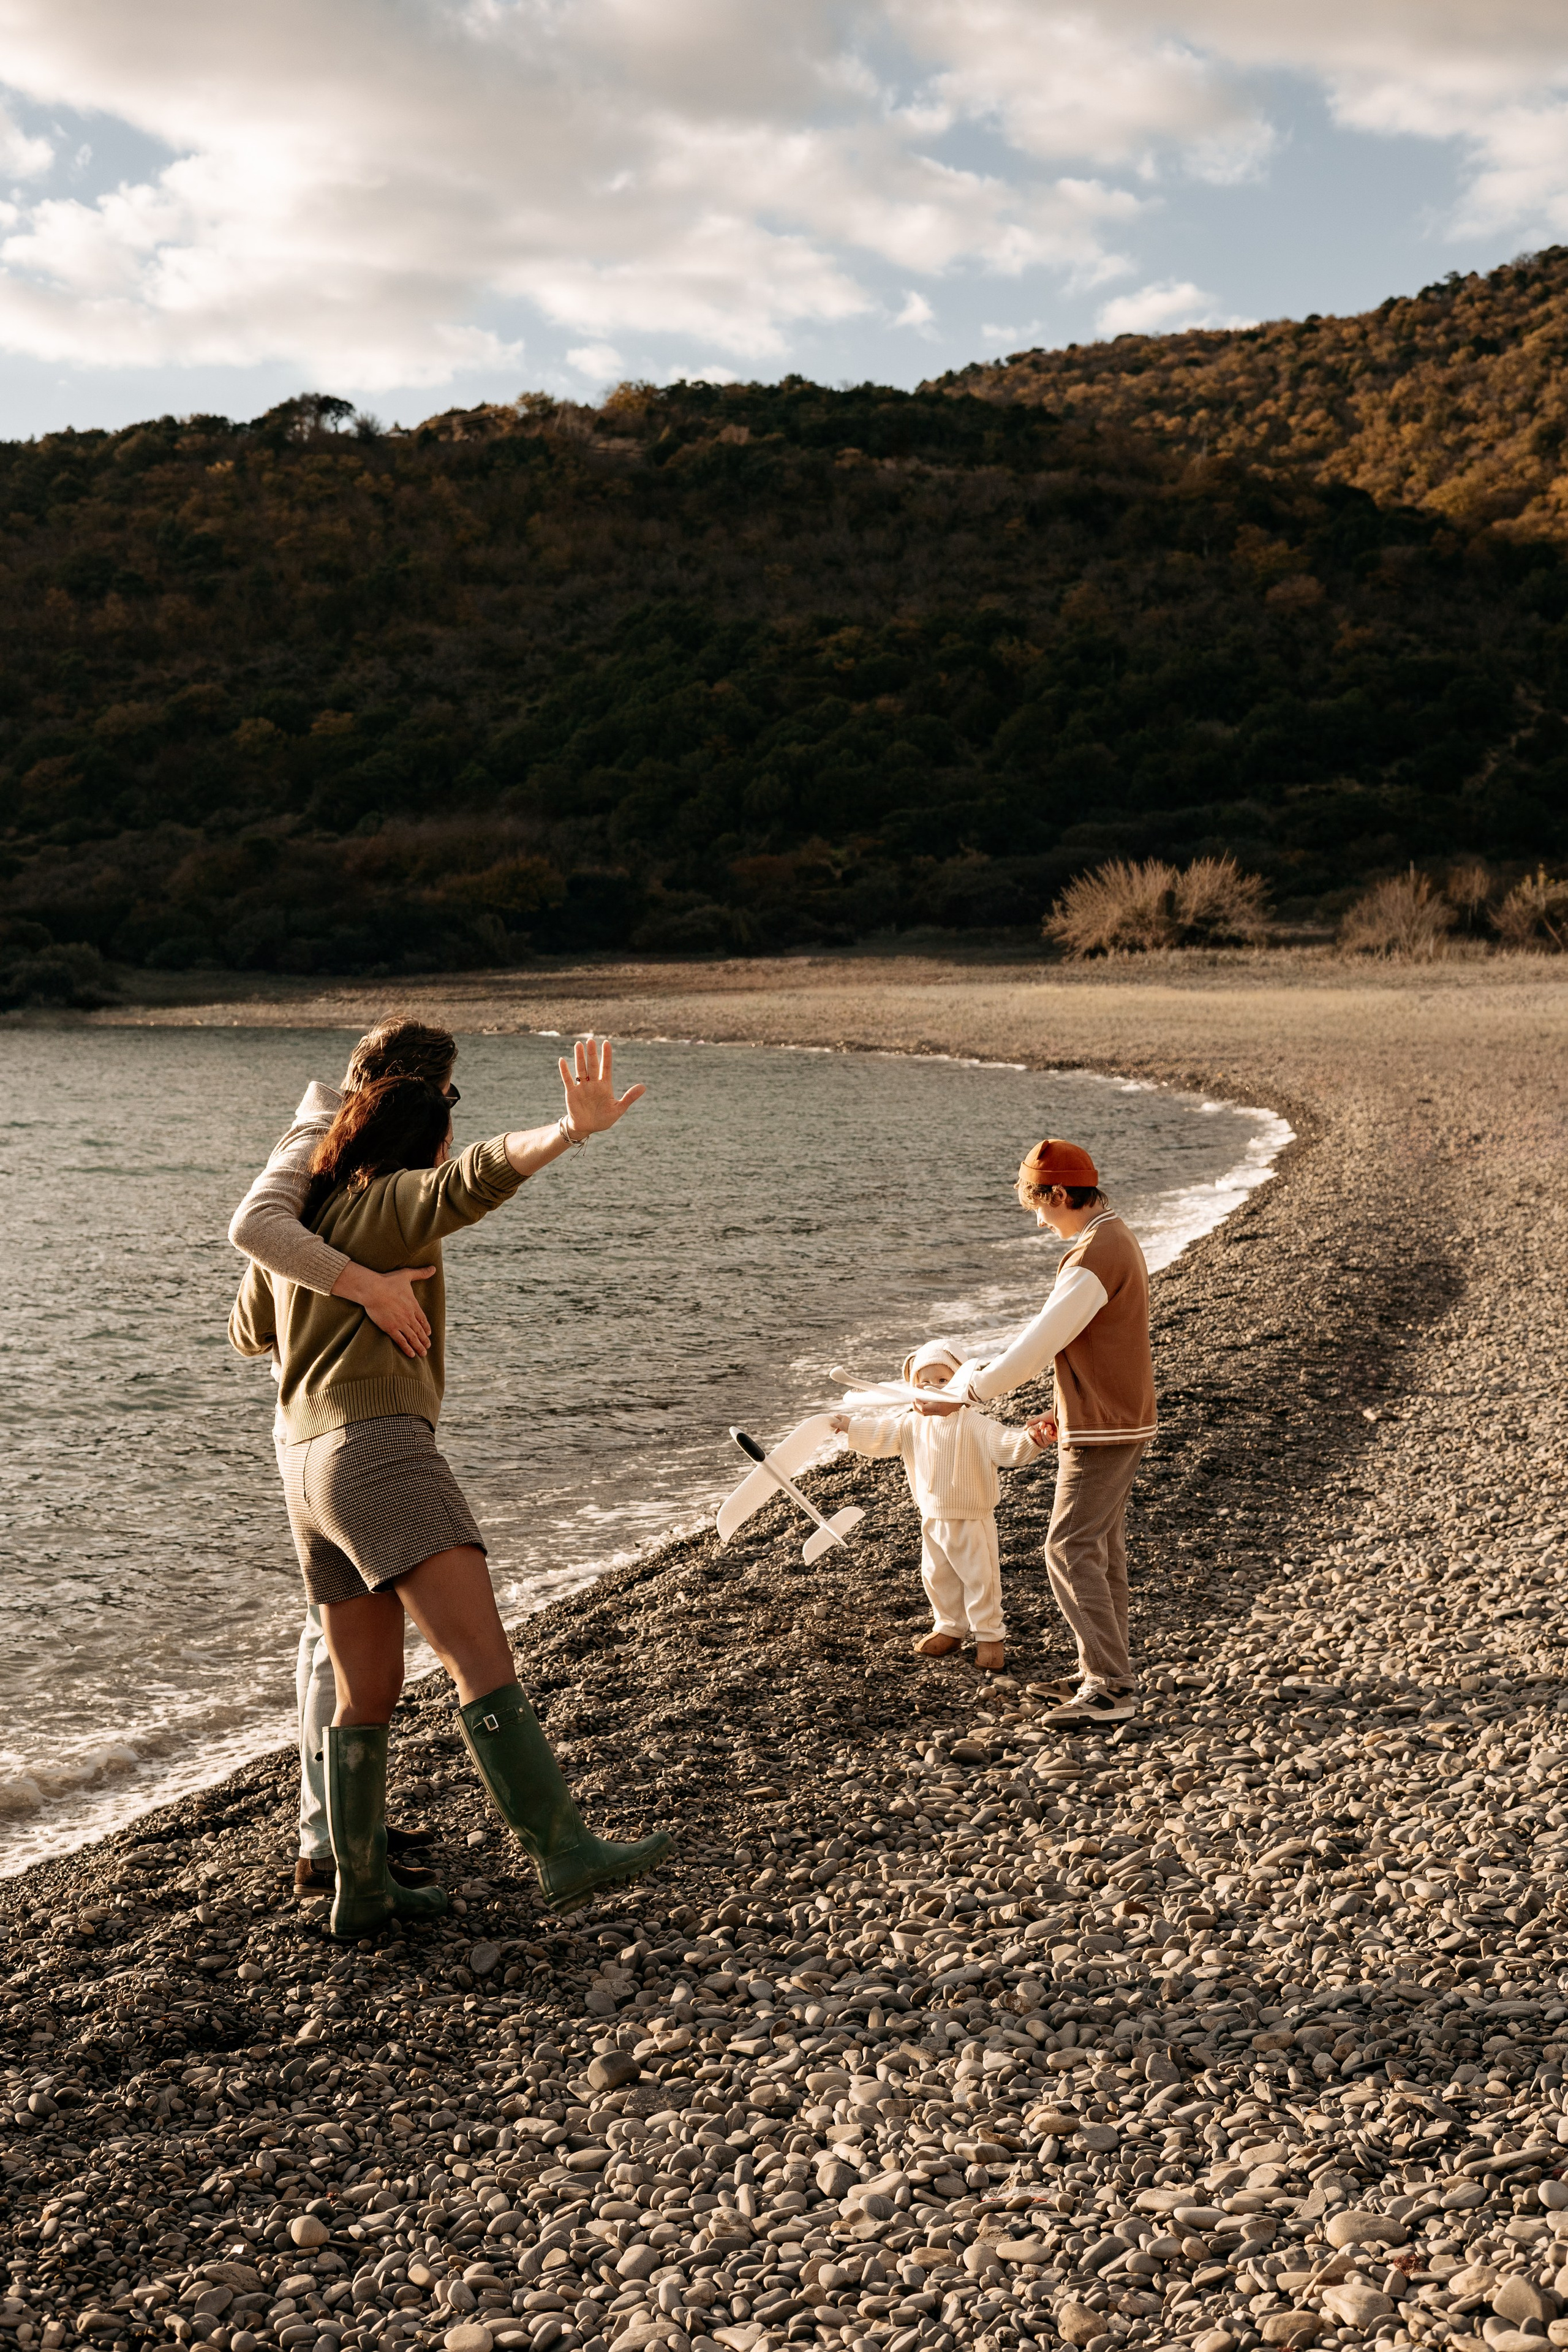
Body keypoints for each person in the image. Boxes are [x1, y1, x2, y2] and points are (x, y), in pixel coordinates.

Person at [228, 1038, 671, 1939]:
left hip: (303, 1471)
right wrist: (565, 1132)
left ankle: (363, 1888)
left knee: (367, 1691)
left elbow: (247, 1330)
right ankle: (563, 1851)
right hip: (378, 1451)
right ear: (421, 1135)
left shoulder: (307, 1217)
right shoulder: (389, 1202)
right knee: (479, 1660)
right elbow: (469, 1182)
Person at [230, 1018, 459, 1895]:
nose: (451, 1115)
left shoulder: (327, 1173)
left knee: (331, 1641)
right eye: (448, 1097)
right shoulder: (315, 1136)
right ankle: (329, 1843)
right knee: (339, 1649)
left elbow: (247, 1327)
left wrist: (315, 1291)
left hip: (304, 1430)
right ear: (408, 1092)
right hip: (342, 1431)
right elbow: (250, 1226)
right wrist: (360, 1284)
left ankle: (333, 1827)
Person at [948, 1139, 1155, 1727]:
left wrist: (970, 1390)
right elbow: (1088, 1342)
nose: (1040, 1221)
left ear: (1061, 1194)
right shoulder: (1113, 1236)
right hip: (1113, 1416)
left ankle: (1111, 1689)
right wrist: (1063, 1406)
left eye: (1039, 1207)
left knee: (1067, 1549)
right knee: (1101, 1551)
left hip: (1106, 1427)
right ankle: (1104, 1668)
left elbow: (1038, 1344)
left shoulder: (1095, 1254)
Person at [832, 1338, 1045, 1675]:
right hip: (932, 1515)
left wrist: (1032, 1438)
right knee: (936, 1576)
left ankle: (989, 1637)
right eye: (924, 1382)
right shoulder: (911, 1424)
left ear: (963, 1383)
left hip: (972, 1518)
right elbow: (882, 1435)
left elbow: (1007, 1446)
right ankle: (949, 1627)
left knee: (980, 1579)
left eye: (943, 1380)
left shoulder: (976, 1425)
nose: (932, 1387)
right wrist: (850, 1426)